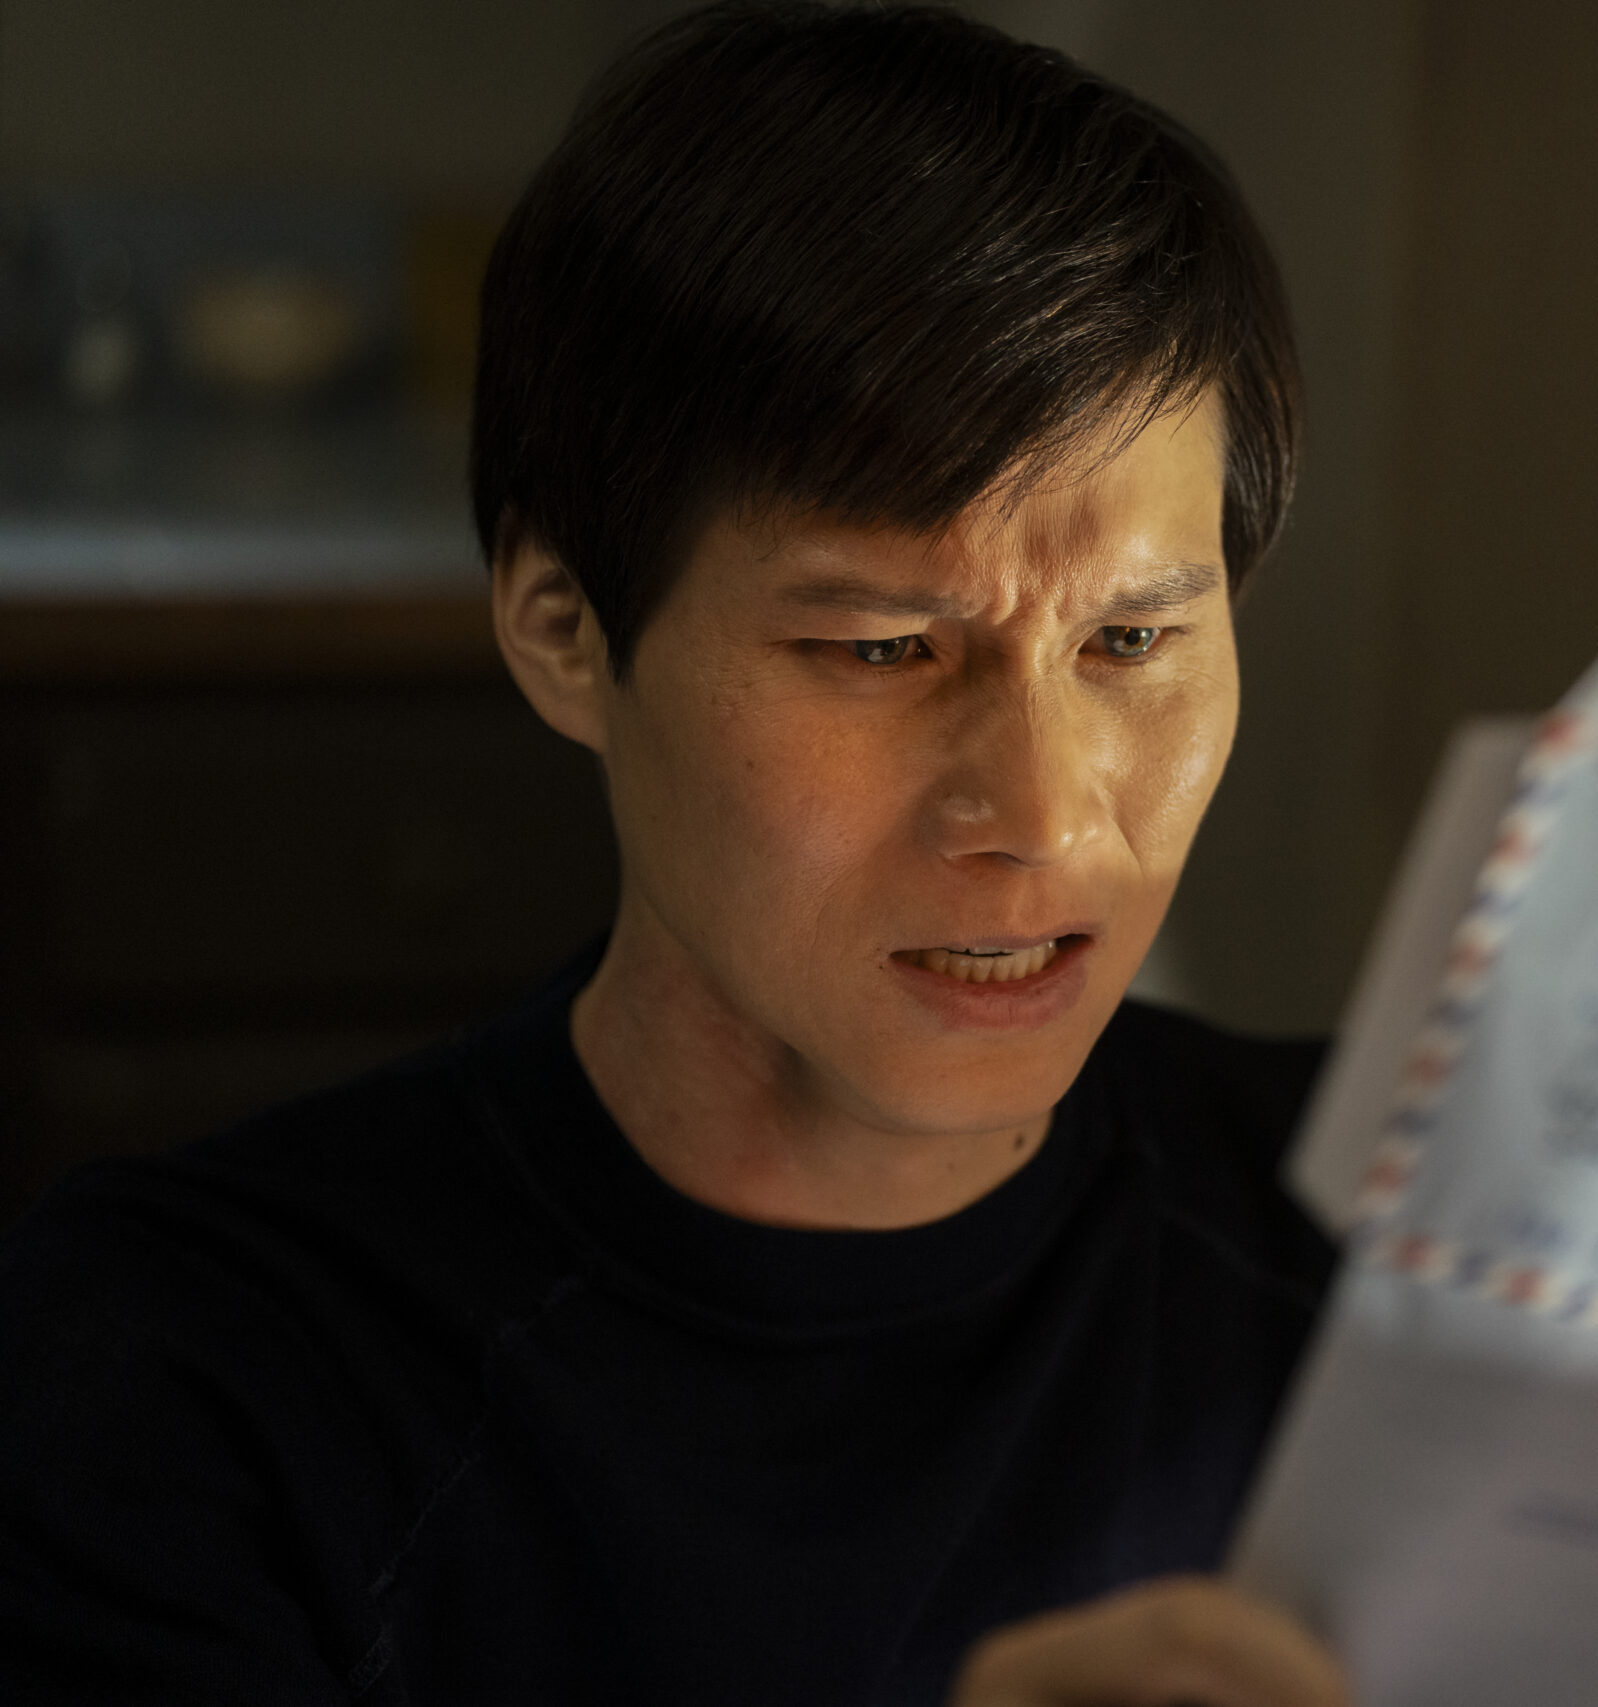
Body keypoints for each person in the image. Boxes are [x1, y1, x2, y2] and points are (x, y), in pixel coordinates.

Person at [0, 6, 1352, 1703]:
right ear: (563, 630)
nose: (1046, 812)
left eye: (1134, 642)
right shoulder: (196, 1377)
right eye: (882, 649)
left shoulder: (1397, 1251)